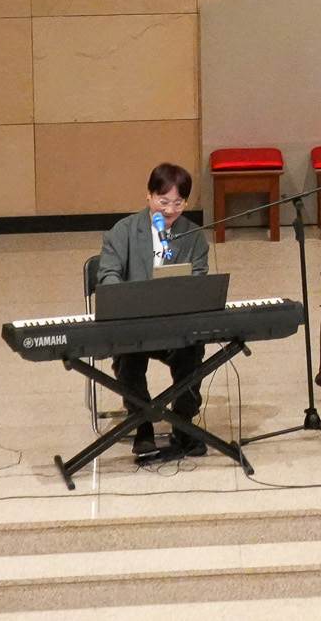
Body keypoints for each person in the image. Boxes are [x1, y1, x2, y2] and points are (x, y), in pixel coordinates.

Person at [95, 162, 212, 461]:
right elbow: (108, 275)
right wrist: (129, 300)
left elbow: (198, 279)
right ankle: (142, 423)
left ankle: (182, 423)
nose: (170, 210)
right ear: (148, 195)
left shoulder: (194, 236)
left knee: (192, 352)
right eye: (163, 201)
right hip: (135, 326)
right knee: (129, 356)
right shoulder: (123, 231)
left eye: (178, 203)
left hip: (175, 326)